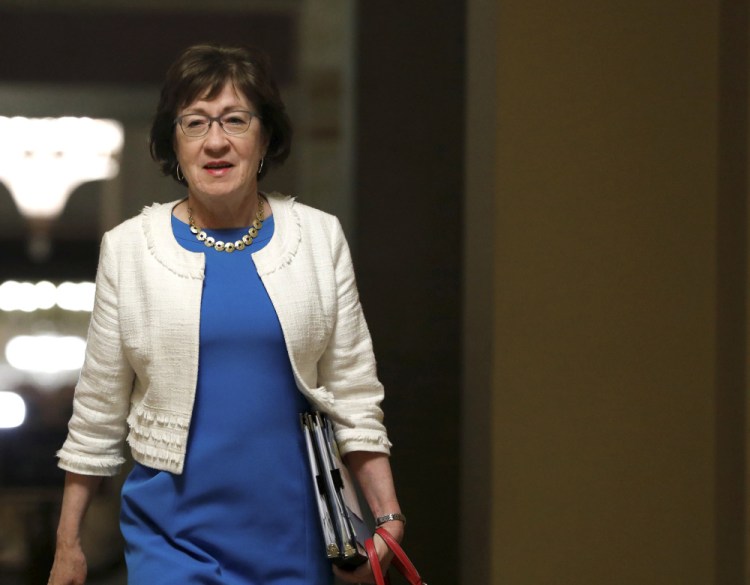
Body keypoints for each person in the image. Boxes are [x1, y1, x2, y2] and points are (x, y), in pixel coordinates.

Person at [48, 43, 404, 585]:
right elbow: (97, 410)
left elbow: (353, 390)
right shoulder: (129, 248)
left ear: (264, 136)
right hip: (171, 534)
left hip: (295, 528)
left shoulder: (317, 237)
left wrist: (387, 513)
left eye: (235, 120)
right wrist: (68, 543)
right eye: (195, 123)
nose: (216, 141)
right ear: (175, 141)